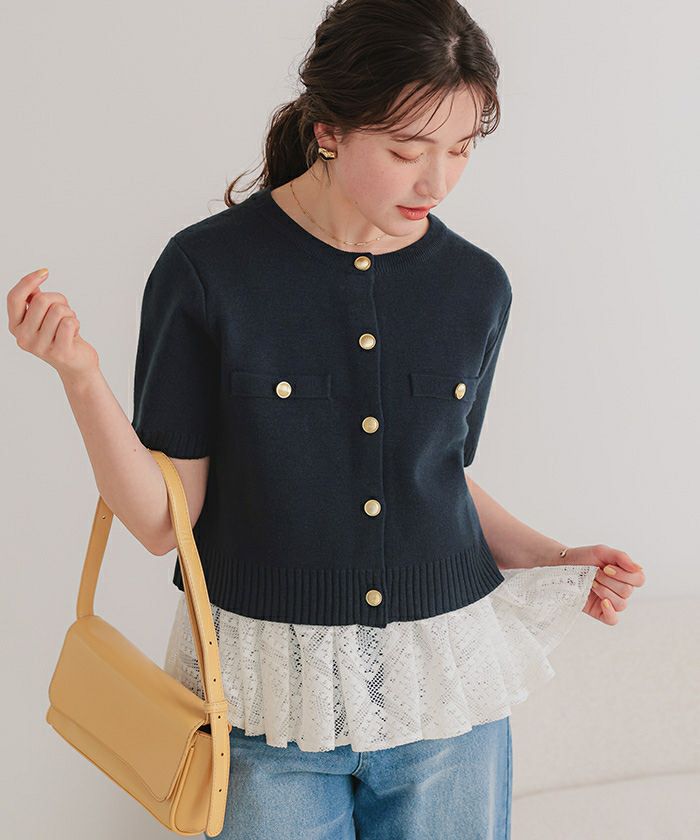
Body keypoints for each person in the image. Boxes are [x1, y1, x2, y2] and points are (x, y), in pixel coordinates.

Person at [9, 1, 646, 837]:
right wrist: (80, 377)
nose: (437, 182)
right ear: (329, 131)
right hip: (268, 707)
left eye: (461, 149)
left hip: (443, 701)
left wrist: (555, 556)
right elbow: (165, 523)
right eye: (407, 150)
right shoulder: (207, 270)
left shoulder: (476, 286)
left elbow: (436, 477)